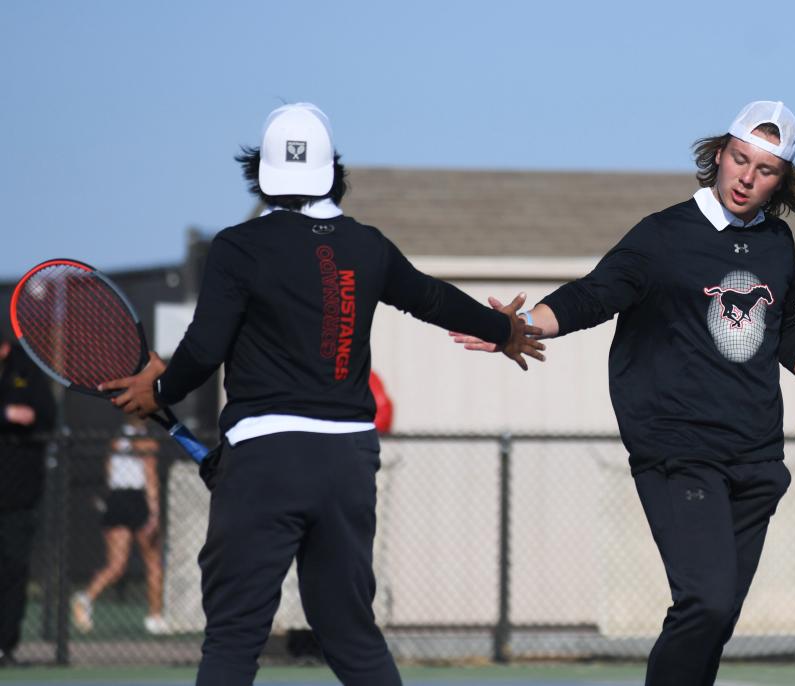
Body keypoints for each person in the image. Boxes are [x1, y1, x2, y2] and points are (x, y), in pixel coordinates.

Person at [99, 102, 543, 686]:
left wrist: (159, 388)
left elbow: (204, 351)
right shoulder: (367, 245)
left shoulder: (239, 247)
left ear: (259, 173)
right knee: (352, 637)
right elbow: (433, 300)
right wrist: (506, 331)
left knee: (234, 636)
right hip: (347, 461)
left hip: (264, 460)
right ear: (333, 171)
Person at [453, 101, 795, 686]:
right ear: (719, 155)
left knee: (713, 621)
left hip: (757, 458)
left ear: (781, 181)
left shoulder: (777, 244)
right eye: (739, 159)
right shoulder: (664, 235)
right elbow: (594, 294)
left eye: (764, 170)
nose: (746, 177)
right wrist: (521, 325)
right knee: (708, 603)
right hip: (680, 452)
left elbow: (784, 329)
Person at [71, 419, 168, 635]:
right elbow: (150, 475)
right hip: (136, 499)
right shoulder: (147, 442)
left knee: (116, 565)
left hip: (116, 499)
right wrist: (154, 511)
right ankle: (154, 617)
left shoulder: (115, 440)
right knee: (153, 562)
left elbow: (109, 470)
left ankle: (85, 597)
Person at [0, 332, 55, 666]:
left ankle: (5, 646)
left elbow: (42, 414)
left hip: (19, 490)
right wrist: (6, 414)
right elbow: (16, 415)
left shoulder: (27, 366)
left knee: (14, 569)